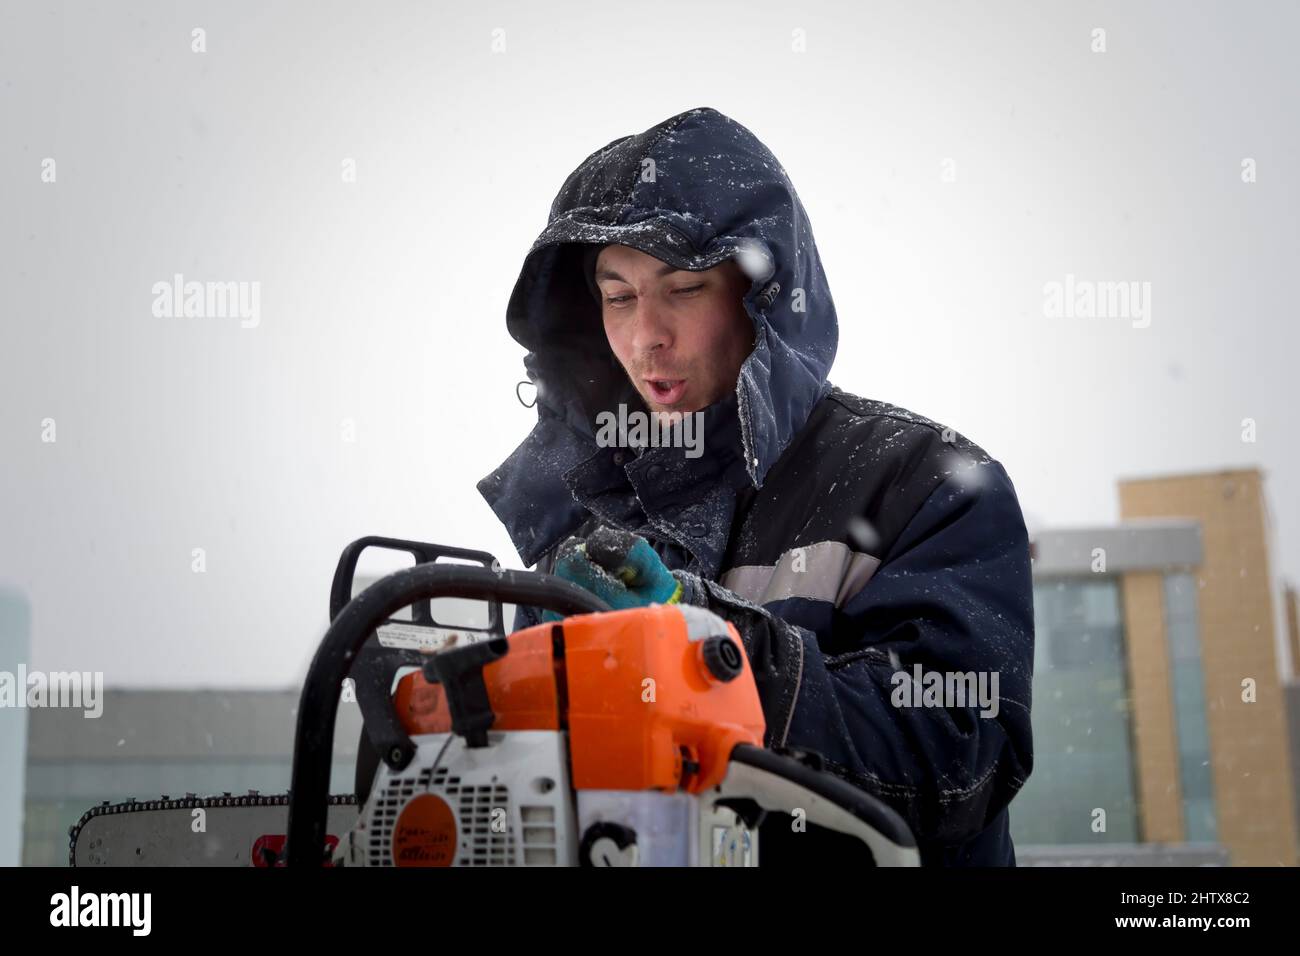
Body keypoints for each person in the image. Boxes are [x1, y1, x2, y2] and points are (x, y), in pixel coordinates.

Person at [477, 106, 1035, 866]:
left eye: (684, 286)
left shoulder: (922, 482)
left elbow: (960, 751)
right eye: (618, 296)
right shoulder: (586, 515)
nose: (647, 336)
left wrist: (707, 648)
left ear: (762, 293)